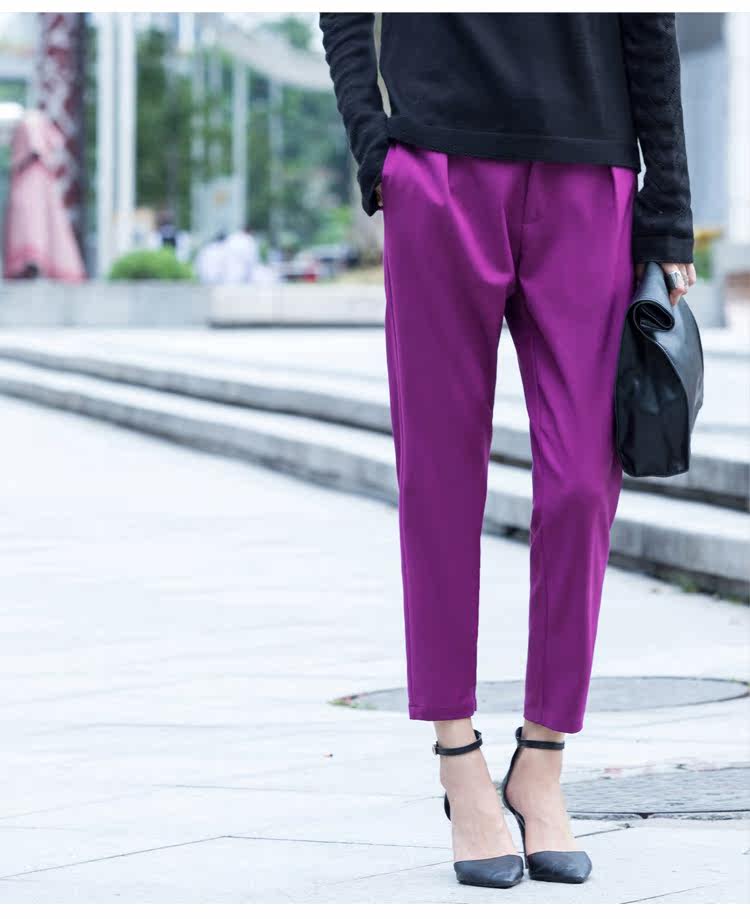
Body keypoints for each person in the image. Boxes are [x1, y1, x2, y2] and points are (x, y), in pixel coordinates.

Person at [320, 12, 695, 888]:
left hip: (590, 173)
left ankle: (543, 760)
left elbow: (650, 24)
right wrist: (376, 149)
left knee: (582, 483)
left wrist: (669, 213)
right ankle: (459, 759)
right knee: (440, 478)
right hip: (438, 168)